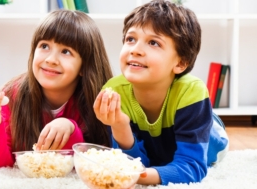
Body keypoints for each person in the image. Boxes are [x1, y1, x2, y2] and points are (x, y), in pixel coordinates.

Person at [93, 0, 229, 185]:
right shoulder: (114, 91)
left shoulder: (192, 92)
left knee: (202, 150)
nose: (135, 50)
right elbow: (133, 163)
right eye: (130, 39)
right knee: (159, 158)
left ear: (180, 63)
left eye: (153, 43)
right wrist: (120, 125)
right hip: (158, 142)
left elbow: (192, 166)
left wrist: (137, 177)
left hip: (206, 130)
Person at [0, 10, 113, 168]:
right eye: (44, 46)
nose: (50, 60)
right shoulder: (11, 95)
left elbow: (88, 166)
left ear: (84, 66)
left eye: (66, 51)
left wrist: (69, 129)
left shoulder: (98, 101)